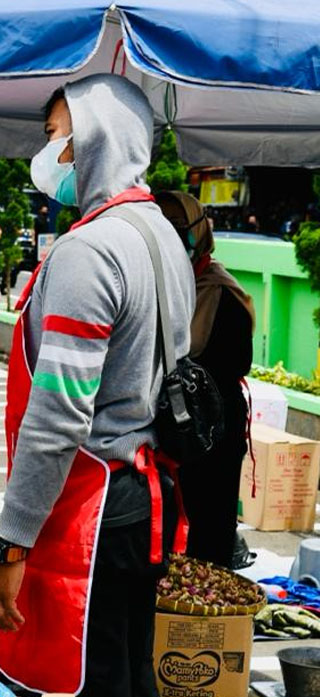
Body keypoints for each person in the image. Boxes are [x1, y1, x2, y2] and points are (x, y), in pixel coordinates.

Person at [0, 75, 195, 697]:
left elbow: (57, 414)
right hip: (146, 498)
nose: (50, 156)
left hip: (94, 505)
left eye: (56, 138)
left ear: (97, 140)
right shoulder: (160, 233)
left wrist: (8, 546)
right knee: (133, 684)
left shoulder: (90, 250)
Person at [158, 190, 255, 568]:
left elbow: (238, 363)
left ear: (200, 233)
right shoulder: (157, 285)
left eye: (180, 229)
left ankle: (205, 623)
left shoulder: (220, 292)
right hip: (166, 432)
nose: (171, 237)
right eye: (163, 227)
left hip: (213, 433)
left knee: (208, 539)